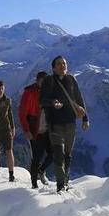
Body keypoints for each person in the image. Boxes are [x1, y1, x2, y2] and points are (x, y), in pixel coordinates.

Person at [39, 56, 89, 193]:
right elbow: (42, 100)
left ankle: (65, 181)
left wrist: (85, 118)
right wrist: (53, 103)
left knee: (67, 154)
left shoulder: (71, 79)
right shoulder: (49, 80)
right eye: (59, 64)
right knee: (58, 154)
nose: (62, 66)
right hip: (54, 123)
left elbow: (79, 99)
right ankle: (60, 185)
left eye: (64, 63)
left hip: (70, 122)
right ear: (53, 67)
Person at [19, 70, 53, 189]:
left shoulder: (49, 92)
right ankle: (34, 184)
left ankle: (41, 171)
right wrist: (26, 130)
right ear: (37, 81)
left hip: (47, 129)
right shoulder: (29, 93)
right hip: (35, 130)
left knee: (53, 152)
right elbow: (22, 113)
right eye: (42, 81)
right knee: (37, 157)